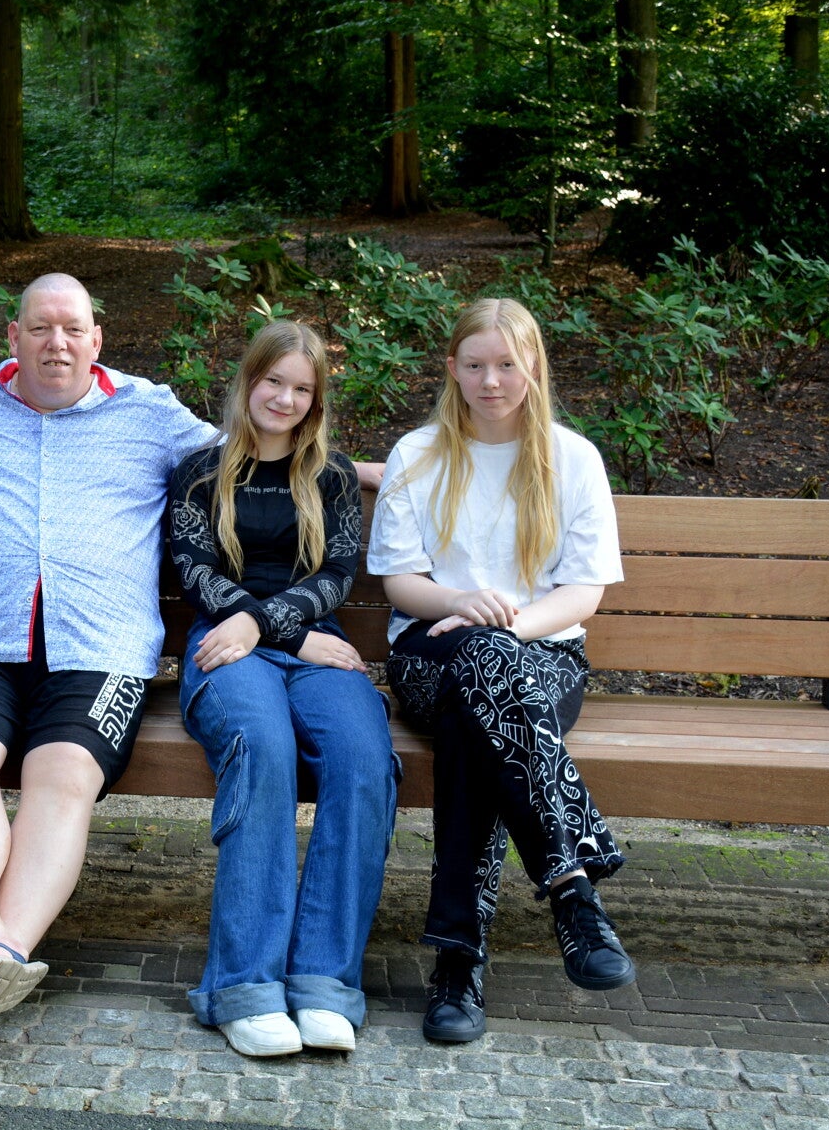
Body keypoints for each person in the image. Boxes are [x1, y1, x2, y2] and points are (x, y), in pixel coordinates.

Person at [0, 272, 220, 1050]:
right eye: (40, 327)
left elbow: (257, 453)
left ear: (96, 339)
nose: (57, 342)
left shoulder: (148, 412)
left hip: (99, 649)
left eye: (73, 328)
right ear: (12, 337)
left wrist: (373, 472)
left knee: (64, 775)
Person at [366, 297, 634, 1046]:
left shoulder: (572, 458)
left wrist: (505, 627)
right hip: (430, 650)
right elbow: (400, 583)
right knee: (482, 682)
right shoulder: (419, 453)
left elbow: (582, 593)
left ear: (533, 366)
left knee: (481, 707)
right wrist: (459, 602)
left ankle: (459, 964)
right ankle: (571, 886)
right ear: (452, 367)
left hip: (544, 653)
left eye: (507, 364)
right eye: (476, 365)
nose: (491, 381)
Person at [165, 320, 396, 1058]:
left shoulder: (333, 475)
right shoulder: (199, 472)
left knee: (363, 758)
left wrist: (269, 628)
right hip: (226, 647)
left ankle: (325, 982)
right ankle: (245, 986)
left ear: (316, 399)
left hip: (312, 646)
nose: (286, 399)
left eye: (302, 389)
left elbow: (337, 574)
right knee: (262, 747)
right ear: (249, 380)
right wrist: (267, 632)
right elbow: (194, 570)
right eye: (274, 381)